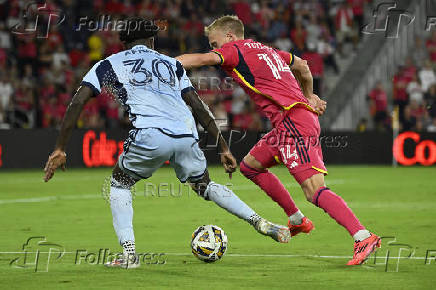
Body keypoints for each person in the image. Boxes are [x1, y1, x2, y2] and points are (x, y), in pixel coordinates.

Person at [43, 18, 291, 269]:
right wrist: (224, 147)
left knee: (120, 182)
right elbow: (198, 105)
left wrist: (60, 147)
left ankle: (129, 255)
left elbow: (78, 101)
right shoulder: (171, 64)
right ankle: (259, 221)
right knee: (204, 185)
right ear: (152, 41)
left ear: (124, 44)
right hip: (186, 134)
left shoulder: (109, 64)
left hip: (150, 133)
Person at [176, 15, 380, 266]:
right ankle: (296, 220)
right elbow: (303, 66)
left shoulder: (233, 50)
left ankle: (363, 236)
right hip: (288, 123)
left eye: (215, 43)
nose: (214, 49)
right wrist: (309, 97)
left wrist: (164, 63)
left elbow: (200, 59)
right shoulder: (267, 50)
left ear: (229, 37)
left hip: (294, 124)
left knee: (314, 190)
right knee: (250, 166)